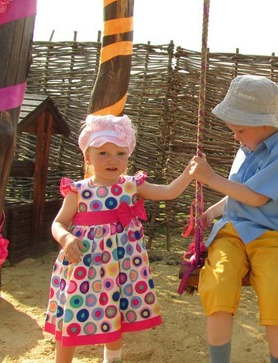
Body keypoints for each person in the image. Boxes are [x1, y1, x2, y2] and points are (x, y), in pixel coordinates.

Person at [44, 114, 193, 363]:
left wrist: (190, 172)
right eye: (103, 153)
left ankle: (112, 359)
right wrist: (66, 238)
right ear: (88, 156)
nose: (113, 160)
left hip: (120, 265)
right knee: (73, 312)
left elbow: (169, 192)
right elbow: (58, 223)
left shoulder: (132, 186)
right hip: (84, 265)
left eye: (121, 153)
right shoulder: (78, 190)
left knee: (114, 310)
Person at [188, 75, 278, 363]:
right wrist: (212, 212)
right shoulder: (246, 148)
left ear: (264, 124)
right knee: (218, 283)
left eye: (239, 129)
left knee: (275, 293)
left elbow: (256, 196)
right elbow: (238, 191)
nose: (235, 136)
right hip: (231, 232)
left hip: (270, 237)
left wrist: (211, 178)